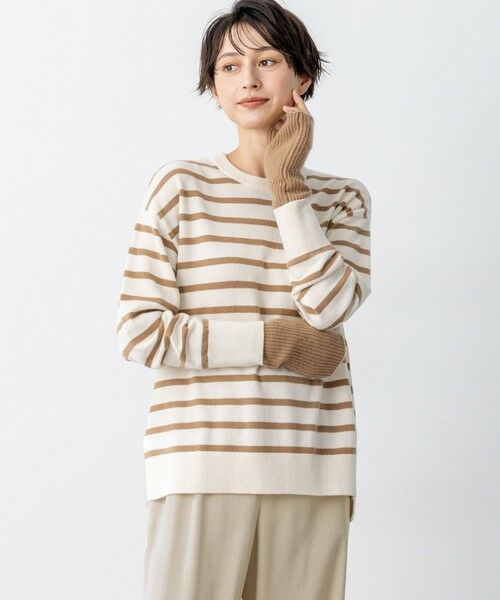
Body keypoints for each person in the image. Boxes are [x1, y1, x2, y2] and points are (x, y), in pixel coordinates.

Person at [115, 1, 372, 598]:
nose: (249, 80)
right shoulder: (181, 186)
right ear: (214, 86)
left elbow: (328, 309)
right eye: (229, 67)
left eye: (268, 61)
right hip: (200, 459)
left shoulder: (343, 199)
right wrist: (273, 341)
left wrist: (287, 186)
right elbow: (139, 331)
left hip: (312, 464)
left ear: (302, 75)